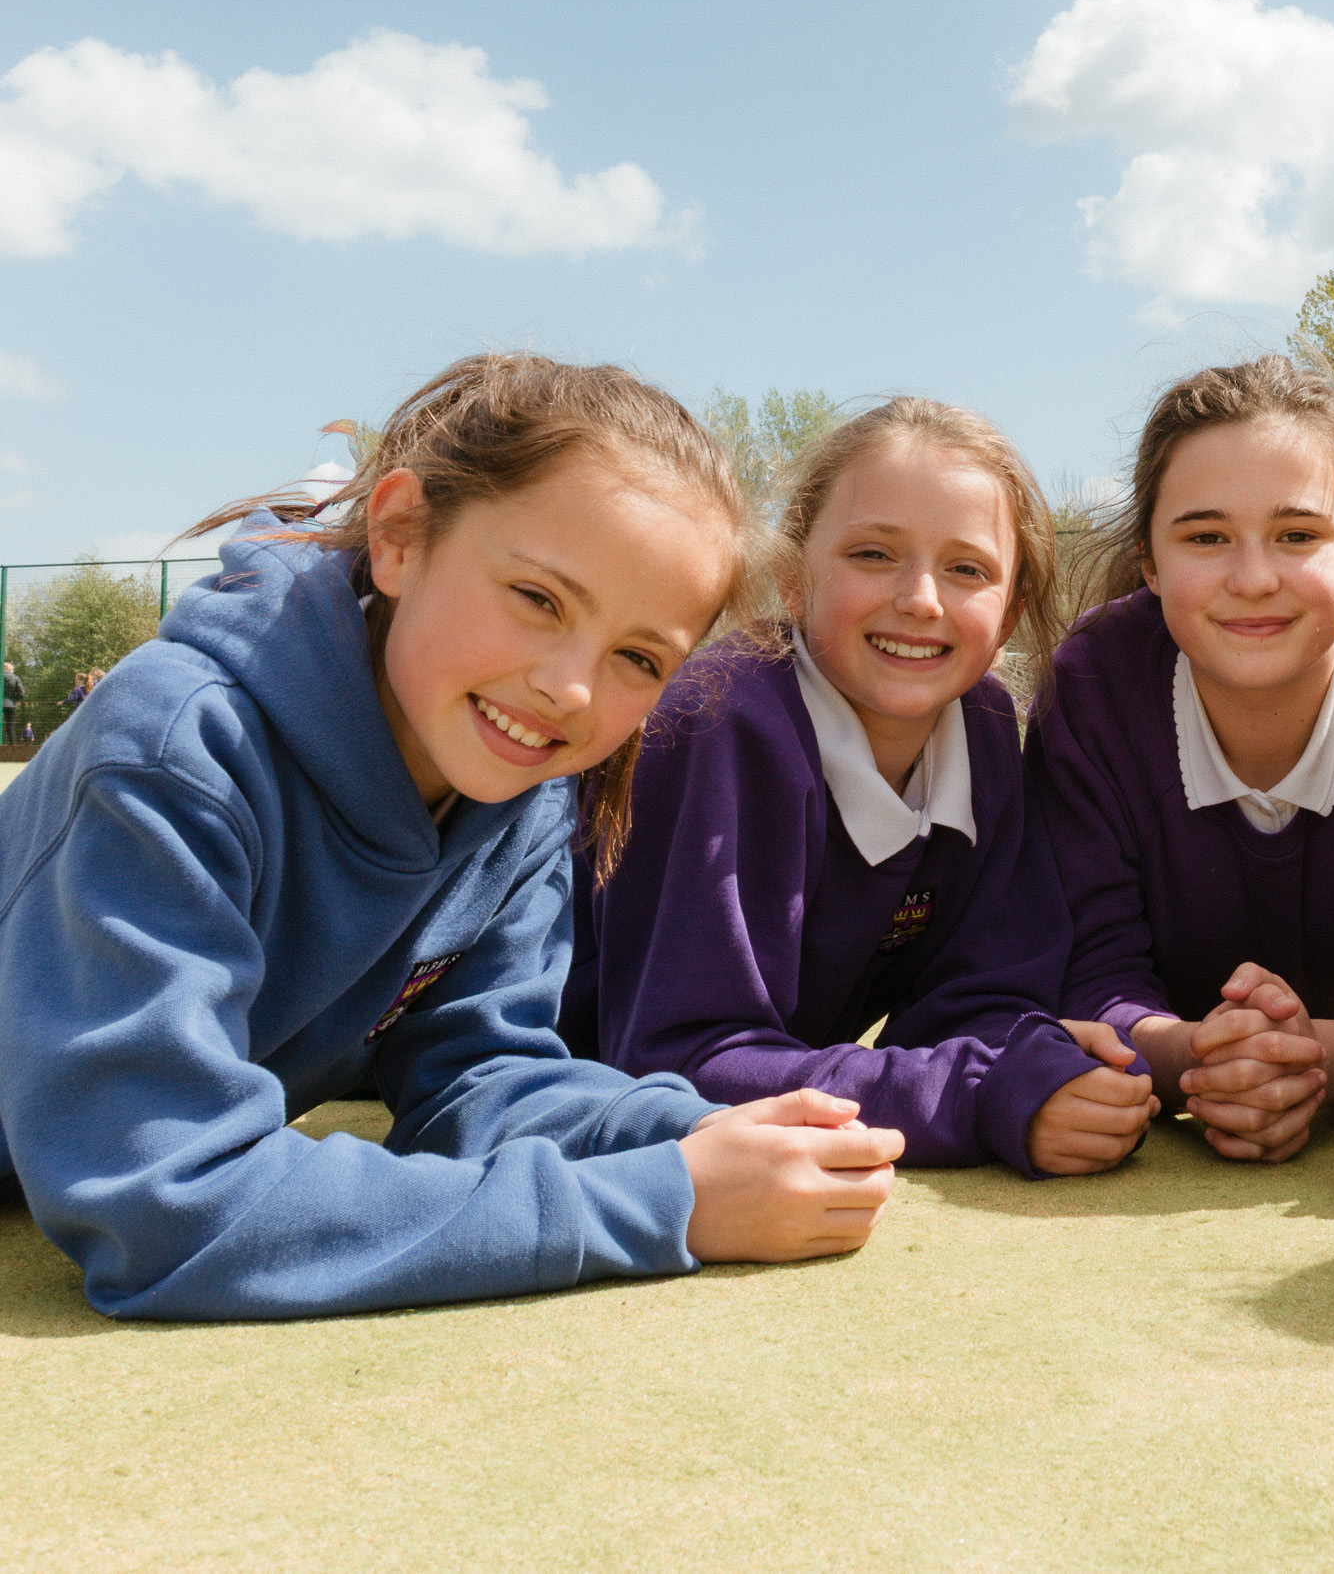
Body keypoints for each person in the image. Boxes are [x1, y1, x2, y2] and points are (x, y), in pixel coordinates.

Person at [0, 353, 903, 1321]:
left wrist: (690, 1134)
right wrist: (663, 1202)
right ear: (400, 535)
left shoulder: (522, 793)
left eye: (639, 657)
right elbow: (165, 1202)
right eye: (539, 599)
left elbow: (477, 1078)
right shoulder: (177, 750)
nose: (570, 688)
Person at [563, 398, 1155, 1176]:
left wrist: (1035, 1060)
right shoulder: (720, 724)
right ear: (791, 578)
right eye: (873, 554)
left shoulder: (983, 729)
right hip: (544, 1111)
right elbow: (679, 1061)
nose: (920, 598)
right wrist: (976, 1093)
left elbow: (980, 1000)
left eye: (967, 569)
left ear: (1010, 611)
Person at [1028, 356, 1334, 1162]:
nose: (1254, 578)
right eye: (1206, 537)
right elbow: (1093, 970)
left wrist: (1319, 1061)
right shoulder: (1091, 687)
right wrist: (1194, 1057)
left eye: (1297, 535)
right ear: (1150, 561)